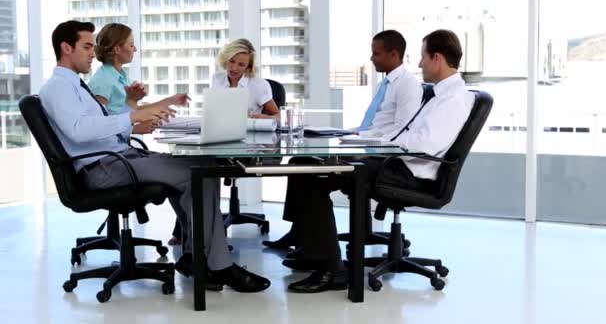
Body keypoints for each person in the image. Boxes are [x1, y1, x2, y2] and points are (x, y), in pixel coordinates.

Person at [39, 20, 270, 293]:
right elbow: (78, 131)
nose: (93, 52)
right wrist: (132, 116)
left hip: (116, 158)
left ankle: (194, 258)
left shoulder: (75, 86)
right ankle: (218, 265)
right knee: (199, 173)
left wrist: (133, 121)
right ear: (66, 48)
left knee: (201, 166)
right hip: (103, 168)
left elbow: (98, 128)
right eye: (87, 46)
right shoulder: (58, 88)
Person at [283, 29, 475, 293]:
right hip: (400, 164)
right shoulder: (440, 94)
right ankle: (317, 254)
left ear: (437, 58)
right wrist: (367, 140)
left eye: (423, 57)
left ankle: (331, 269)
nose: (419, 64)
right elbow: (407, 133)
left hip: (408, 172)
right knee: (308, 170)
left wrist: (381, 145)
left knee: (313, 180)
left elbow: (424, 144)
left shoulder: (453, 99)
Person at [262, 29, 423, 251]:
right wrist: (346, 131)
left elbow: (399, 132)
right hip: (366, 141)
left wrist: (358, 137)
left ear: (394, 55)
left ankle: (319, 252)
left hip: (380, 156)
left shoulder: (407, 85)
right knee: (298, 161)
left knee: (310, 175)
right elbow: (376, 125)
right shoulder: (386, 83)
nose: (371, 58)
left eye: (376, 54)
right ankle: (298, 232)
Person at [168, 38, 281, 244]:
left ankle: (207, 231)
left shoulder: (258, 85)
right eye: (232, 61)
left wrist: (255, 117)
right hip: (220, 137)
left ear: (248, 67)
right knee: (192, 167)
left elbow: (276, 116)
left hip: (248, 145)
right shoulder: (217, 79)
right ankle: (186, 230)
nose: (234, 68)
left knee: (206, 167)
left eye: (241, 64)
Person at [89, 23, 189, 135]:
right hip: (113, 150)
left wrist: (171, 100)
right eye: (131, 45)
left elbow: (133, 109)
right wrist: (134, 129)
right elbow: (98, 126)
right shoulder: (103, 81)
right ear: (117, 49)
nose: (135, 49)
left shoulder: (120, 77)